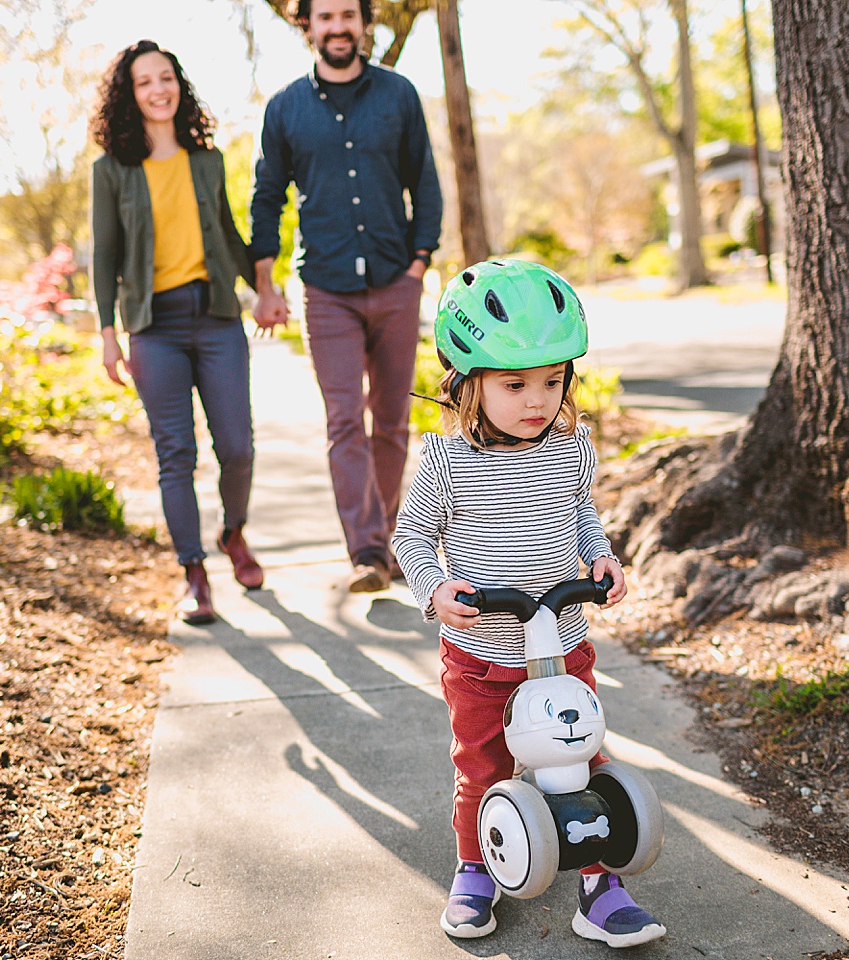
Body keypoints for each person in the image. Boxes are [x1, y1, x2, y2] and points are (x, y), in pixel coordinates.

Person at [391, 259, 667, 948]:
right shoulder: (447, 462)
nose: (536, 399)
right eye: (514, 385)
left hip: (565, 646)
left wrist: (599, 555)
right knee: (482, 765)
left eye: (551, 381)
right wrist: (434, 588)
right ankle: (476, 867)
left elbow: (581, 515)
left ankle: (600, 886)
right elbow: (411, 535)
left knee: (584, 757)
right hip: (485, 655)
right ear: (466, 381)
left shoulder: (569, 449)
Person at [249, 0, 443, 594]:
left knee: (390, 419)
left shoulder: (399, 95)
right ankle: (365, 550)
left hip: (395, 282)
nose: (337, 27)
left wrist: (418, 264)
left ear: (365, 23)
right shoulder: (284, 108)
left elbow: (425, 181)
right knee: (343, 421)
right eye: (325, 16)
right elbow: (266, 197)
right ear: (306, 24)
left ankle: (387, 543)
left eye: (347, 15)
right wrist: (264, 280)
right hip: (326, 288)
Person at [90, 40, 266, 625]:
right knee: (175, 455)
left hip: (216, 316)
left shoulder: (206, 159)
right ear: (129, 95)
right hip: (153, 327)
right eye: (144, 82)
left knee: (237, 445)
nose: (158, 89)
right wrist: (108, 333)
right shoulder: (111, 171)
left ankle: (233, 534)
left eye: (166, 78)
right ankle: (194, 573)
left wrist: (264, 288)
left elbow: (229, 234)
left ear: (178, 86)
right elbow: (105, 257)